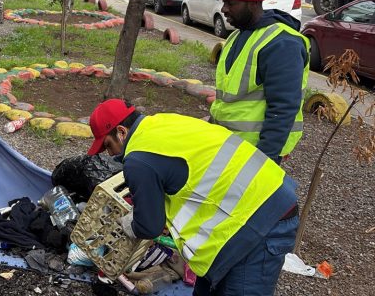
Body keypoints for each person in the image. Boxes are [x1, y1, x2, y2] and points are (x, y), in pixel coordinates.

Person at [87, 99, 299, 296]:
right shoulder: (162, 122)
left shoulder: (138, 159)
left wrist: (131, 224)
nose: (110, 154)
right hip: (261, 201)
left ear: (122, 132)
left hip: (262, 221)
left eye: (108, 145)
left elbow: (149, 226)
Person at [210, 0, 309, 164]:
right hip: (227, 144)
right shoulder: (237, 36)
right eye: (223, 2)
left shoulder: (282, 43)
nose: (224, 9)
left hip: (255, 152)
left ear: (253, 3)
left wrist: (264, 161)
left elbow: (282, 108)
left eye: (231, 3)